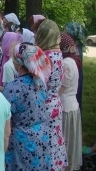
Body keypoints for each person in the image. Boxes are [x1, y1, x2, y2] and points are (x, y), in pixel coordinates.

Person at [3, 43, 52, 170]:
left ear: (19, 63)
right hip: (42, 136)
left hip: (21, 142)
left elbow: (4, 117)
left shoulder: (13, 88)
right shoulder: (41, 82)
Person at [35, 19, 67, 169]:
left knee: (44, 142)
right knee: (54, 139)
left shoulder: (44, 57)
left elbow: (37, 83)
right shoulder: (59, 53)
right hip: (55, 102)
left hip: (44, 104)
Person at [60, 57, 82, 171]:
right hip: (73, 105)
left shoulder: (65, 64)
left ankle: (64, 165)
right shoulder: (72, 61)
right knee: (71, 139)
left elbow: (60, 89)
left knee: (64, 139)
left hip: (65, 107)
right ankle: (71, 164)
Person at [65, 21, 88, 109]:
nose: (64, 33)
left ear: (71, 34)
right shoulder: (76, 45)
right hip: (76, 75)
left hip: (73, 77)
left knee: (76, 96)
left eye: (66, 31)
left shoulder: (74, 48)